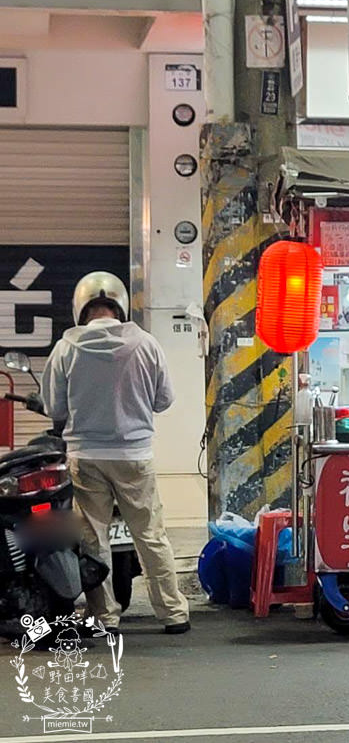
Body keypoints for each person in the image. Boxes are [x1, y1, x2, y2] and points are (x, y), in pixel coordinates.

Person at [41, 272, 190, 635]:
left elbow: (53, 407)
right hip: (135, 455)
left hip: (86, 457)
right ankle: (173, 613)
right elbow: (164, 400)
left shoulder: (66, 347)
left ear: (81, 307)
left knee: (94, 538)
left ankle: (104, 617)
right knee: (151, 535)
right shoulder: (146, 344)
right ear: (120, 305)